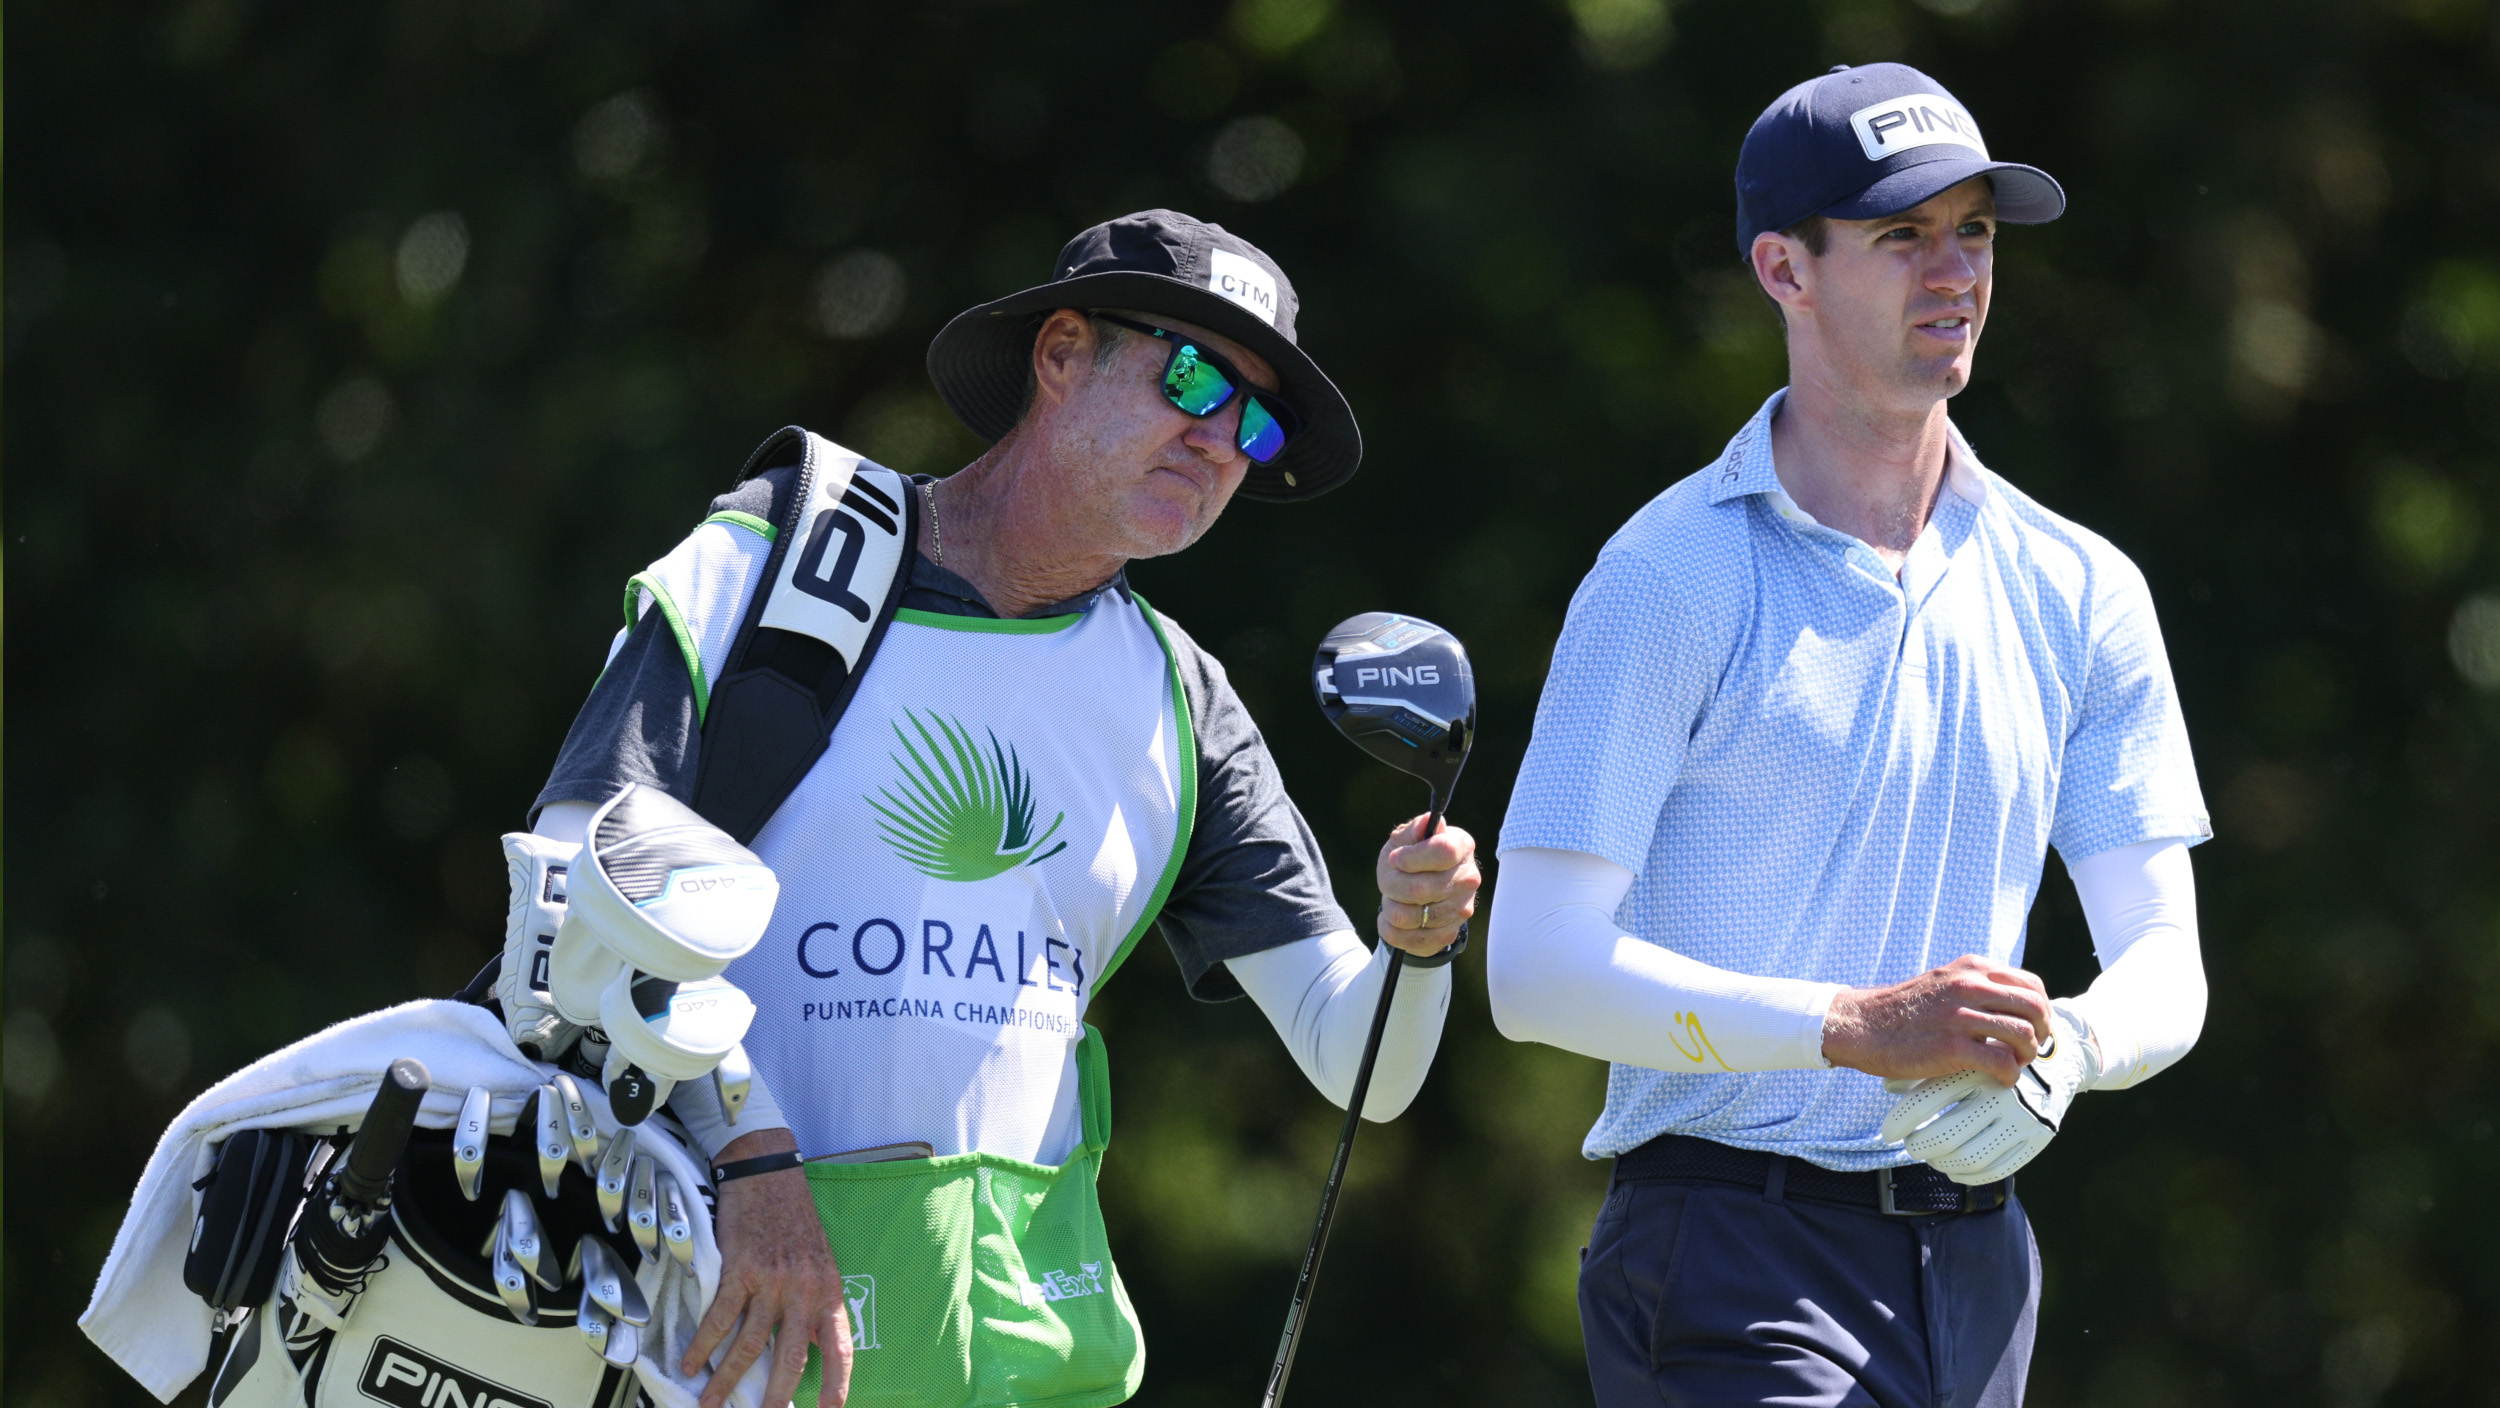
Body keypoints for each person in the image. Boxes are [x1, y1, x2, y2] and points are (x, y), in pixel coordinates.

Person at [526, 209, 1479, 1408]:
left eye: (1259, 417)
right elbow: (573, 869)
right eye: (1190, 372)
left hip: (1025, 1366)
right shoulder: (778, 552)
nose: (1221, 434)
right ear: (1062, 352)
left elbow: (1363, 1066)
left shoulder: (1182, 700)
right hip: (707, 1341)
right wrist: (754, 1158)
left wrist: (1420, 939)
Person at [1485, 64, 2209, 1407]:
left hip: (1979, 1266)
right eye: (1901, 236)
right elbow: (1532, 971)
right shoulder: (1667, 577)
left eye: (1975, 232)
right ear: (1784, 268)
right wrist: (1854, 1028)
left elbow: (2167, 956)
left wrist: (2071, 1053)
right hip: (1727, 1248)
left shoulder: (2080, 586)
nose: (1956, 274)